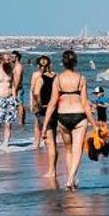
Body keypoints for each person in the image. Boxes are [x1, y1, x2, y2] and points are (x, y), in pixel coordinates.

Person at [41, 48, 95, 188]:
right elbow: (84, 103)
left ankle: (71, 178)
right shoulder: (81, 79)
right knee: (77, 149)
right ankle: (71, 179)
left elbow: (52, 103)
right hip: (79, 116)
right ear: (75, 62)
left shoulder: (57, 79)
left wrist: (45, 125)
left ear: (63, 63)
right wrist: (94, 123)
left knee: (69, 150)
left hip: (63, 117)